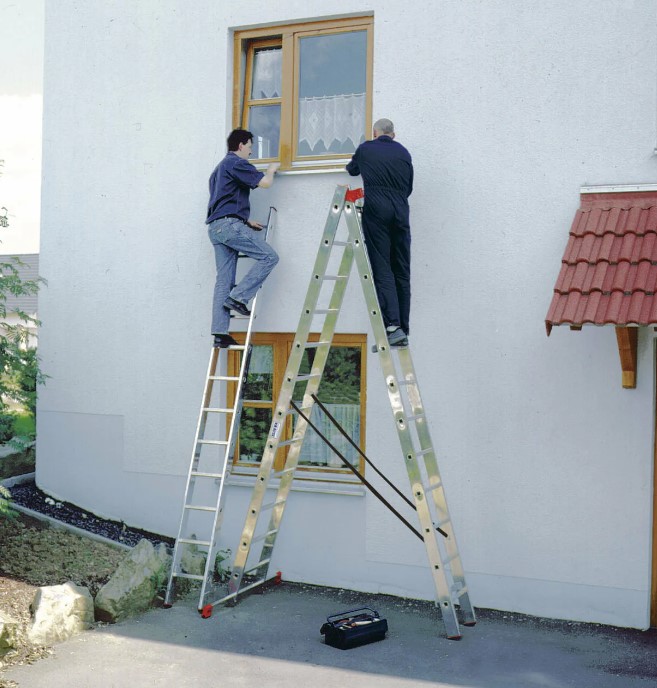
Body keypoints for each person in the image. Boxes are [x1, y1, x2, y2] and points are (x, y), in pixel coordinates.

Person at [206, 129, 280, 348]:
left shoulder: (218, 169)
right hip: (229, 225)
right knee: (269, 257)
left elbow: (224, 199)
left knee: (224, 279)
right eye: (249, 146)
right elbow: (265, 183)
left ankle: (220, 333)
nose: (250, 150)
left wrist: (245, 221)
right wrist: (272, 169)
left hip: (217, 228)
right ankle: (238, 297)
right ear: (240, 145)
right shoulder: (237, 163)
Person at [346, 118, 413, 347]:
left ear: (375, 133)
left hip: (377, 209)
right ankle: (402, 328)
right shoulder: (404, 153)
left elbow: (352, 170)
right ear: (393, 134)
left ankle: (392, 326)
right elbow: (409, 187)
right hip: (401, 211)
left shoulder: (366, 148)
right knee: (402, 269)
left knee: (382, 266)